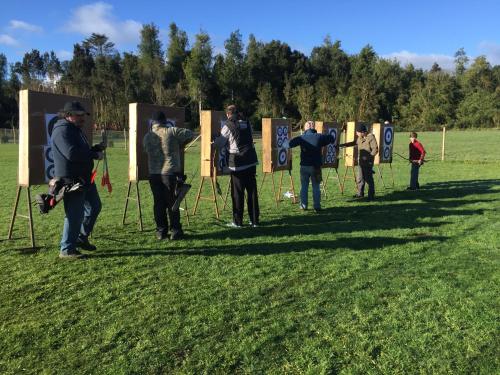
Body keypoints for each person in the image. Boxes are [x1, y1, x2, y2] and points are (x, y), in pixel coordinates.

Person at [51, 101, 104, 259]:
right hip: (71, 179)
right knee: (74, 215)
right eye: (79, 115)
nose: (83, 118)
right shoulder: (62, 131)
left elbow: (82, 151)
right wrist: (94, 155)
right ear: (68, 115)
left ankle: (81, 238)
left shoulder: (75, 130)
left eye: (83, 115)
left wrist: (95, 149)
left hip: (85, 178)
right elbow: (71, 154)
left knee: (94, 206)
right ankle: (66, 249)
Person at [143, 111, 194, 240]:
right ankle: (175, 230)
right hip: (169, 173)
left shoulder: (147, 136)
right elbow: (190, 134)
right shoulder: (172, 131)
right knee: (173, 203)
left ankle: (161, 231)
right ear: (165, 121)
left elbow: (145, 149)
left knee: (158, 204)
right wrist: (180, 145)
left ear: (153, 123)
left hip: (154, 174)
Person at [214, 104, 259, 227]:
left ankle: (237, 221)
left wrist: (213, 141)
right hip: (251, 161)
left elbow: (219, 144)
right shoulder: (247, 123)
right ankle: (254, 220)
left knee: (237, 193)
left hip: (238, 164)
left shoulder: (228, 125)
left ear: (228, 114)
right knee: (252, 192)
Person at [285, 121, 336, 212]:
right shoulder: (320, 137)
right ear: (313, 127)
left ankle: (303, 206)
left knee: (304, 186)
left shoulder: (301, 137)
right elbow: (332, 138)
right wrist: (323, 137)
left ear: (306, 128)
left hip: (304, 166)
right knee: (316, 187)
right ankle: (317, 206)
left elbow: (287, 145)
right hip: (316, 167)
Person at [339, 124, 378, 201]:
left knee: (368, 179)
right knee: (360, 178)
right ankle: (360, 194)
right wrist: (342, 145)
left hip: (368, 162)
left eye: (358, 132)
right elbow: (353, 143)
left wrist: (368, 157)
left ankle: (371, 196)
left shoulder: (371, 137)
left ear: (363, 132)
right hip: (361, 162)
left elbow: (375, 149)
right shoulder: (359, 138)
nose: (356, 133)